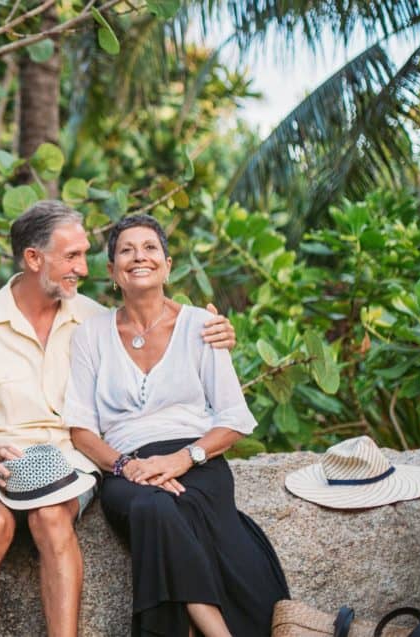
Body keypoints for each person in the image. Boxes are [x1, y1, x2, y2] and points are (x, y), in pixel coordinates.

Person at [0, 201, 237, 637]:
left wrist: (217, 330)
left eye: (85, 255)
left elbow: (158, 324)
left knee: (50, 518)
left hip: (71, 459)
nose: (83, 268)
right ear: (34, 259)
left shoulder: (93, 319)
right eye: (71, 256)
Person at [64, 214, 290, 636]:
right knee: (151, 505)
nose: (139, 257)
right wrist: (125, 466)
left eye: (150, 248)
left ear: (168, 265)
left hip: (198, 460)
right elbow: (81, 429)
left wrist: (183, 459)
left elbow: (234, 419)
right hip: (124, 465)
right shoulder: (90, 335)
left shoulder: (202, 326)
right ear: (112, 272)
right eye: (126, 251)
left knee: (168, 508)